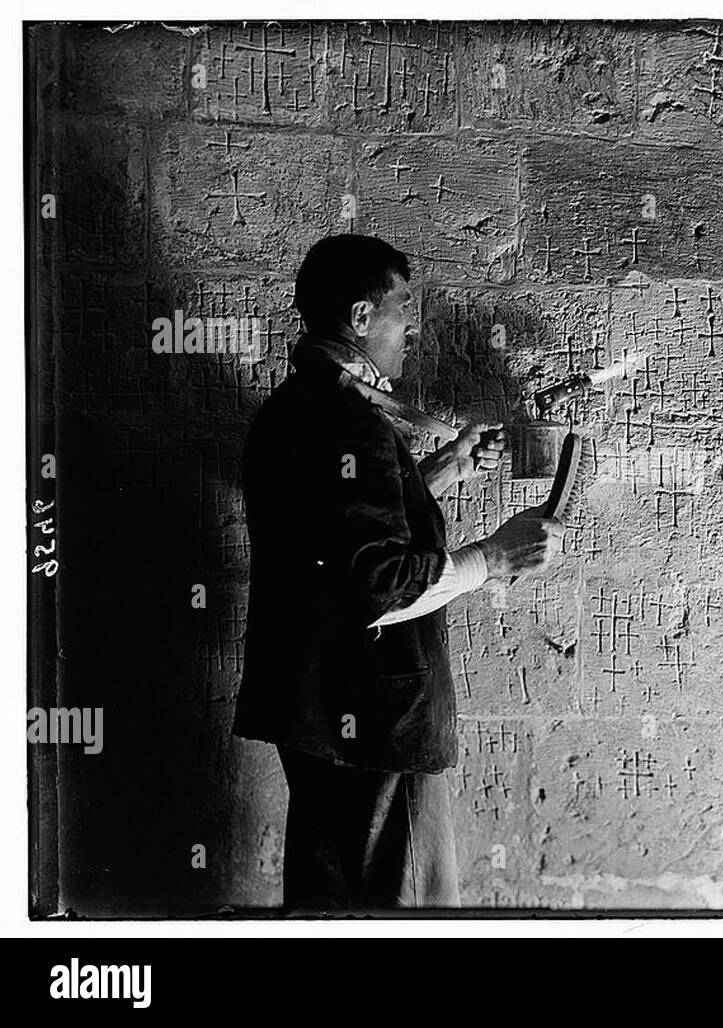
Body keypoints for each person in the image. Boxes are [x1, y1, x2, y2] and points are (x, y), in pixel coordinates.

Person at [232, 234, 561, 912]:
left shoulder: (298, 407)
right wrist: (494, 558)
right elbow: (377, 588)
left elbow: (332, 539)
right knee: (397, 906)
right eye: (402, 308)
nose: (412, 327)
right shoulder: (352, 423)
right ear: (359, 317)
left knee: (332, 898)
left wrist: (439, 472)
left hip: (320, 712)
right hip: (375, 715)